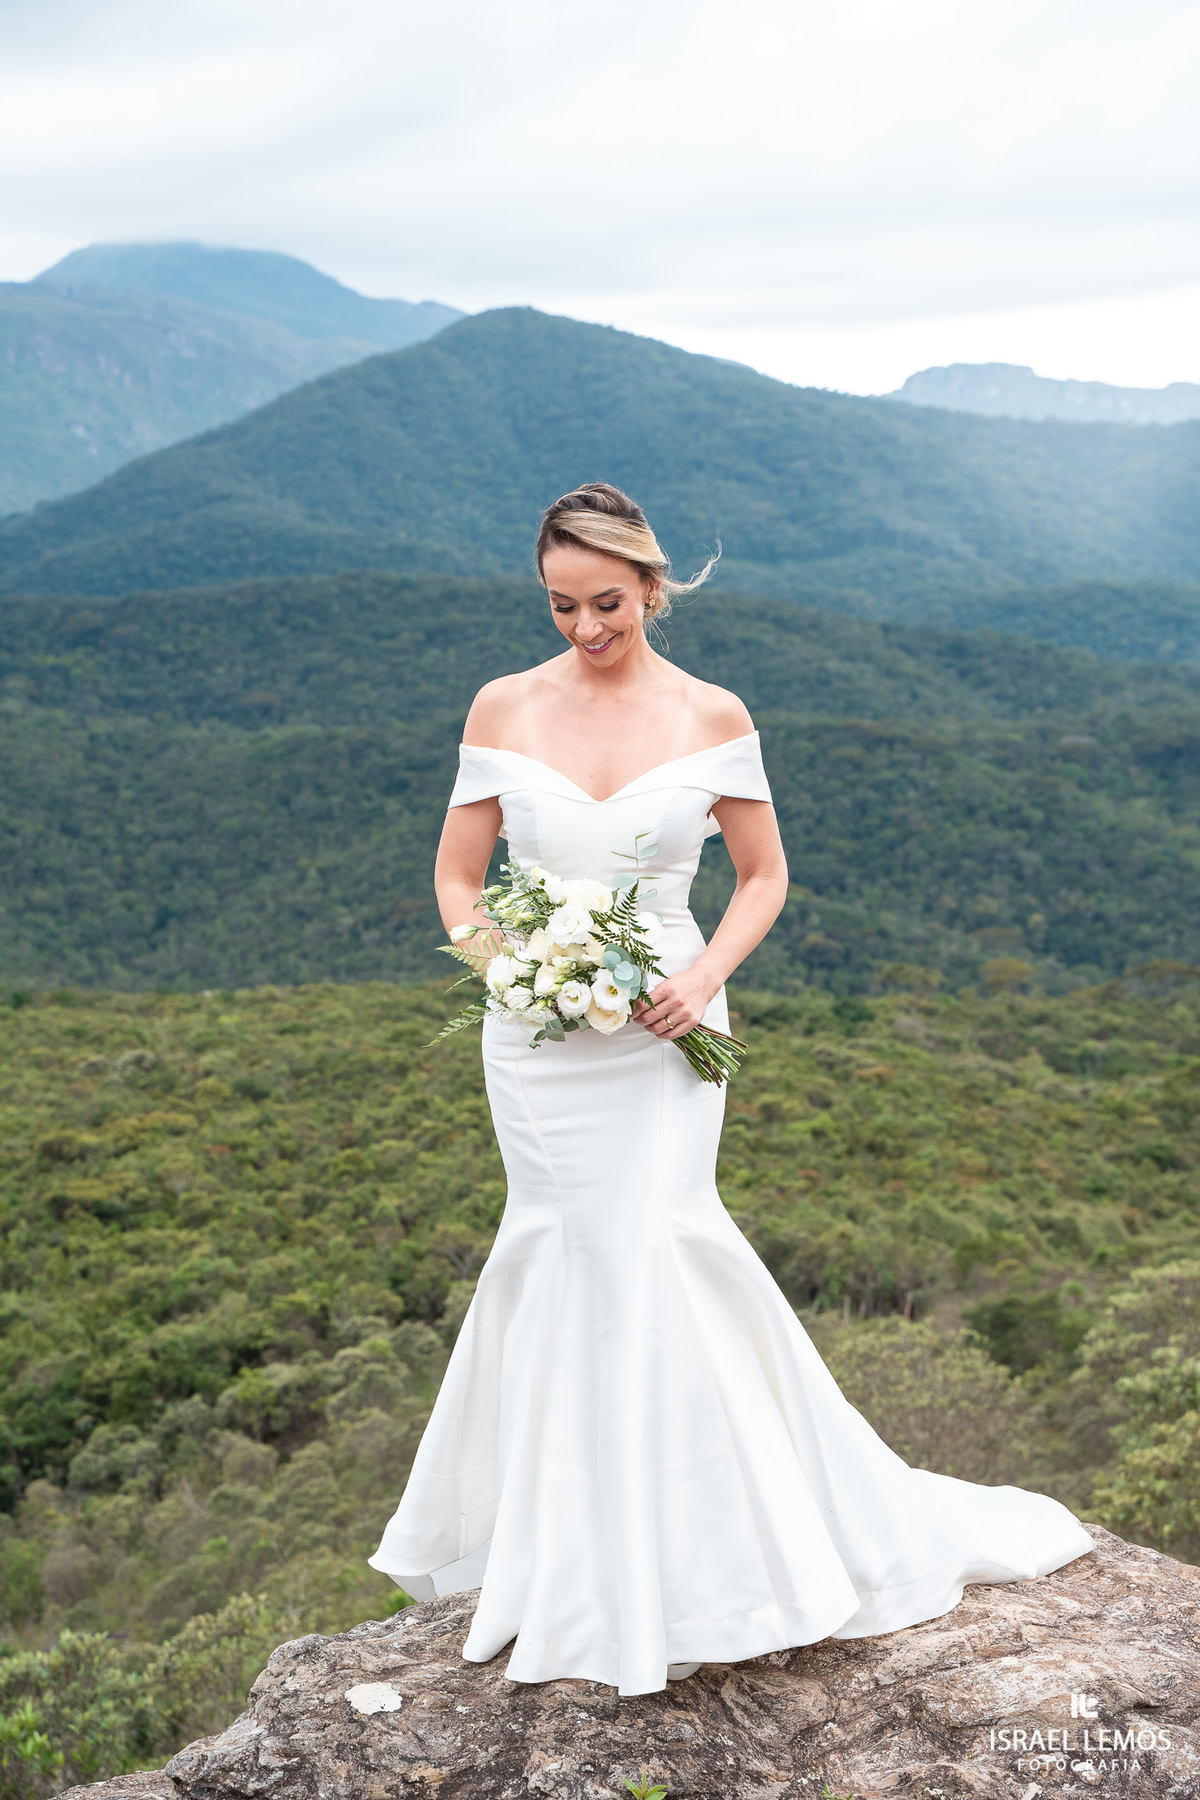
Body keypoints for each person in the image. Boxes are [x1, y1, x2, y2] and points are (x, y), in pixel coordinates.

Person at [369, 482, 1092, 1697]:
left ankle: (699, 1558)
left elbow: (763, 875)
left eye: (606, 603)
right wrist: (511, 973)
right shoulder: (502, 705)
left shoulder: (714, 714)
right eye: (561, 606)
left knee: (656, 1243)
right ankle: (566, 1551)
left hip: (668, 1024)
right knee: (560, 1252)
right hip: (537, 1043)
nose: (585, 628)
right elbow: (456, 877)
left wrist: (700, 979)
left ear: (653, 588)